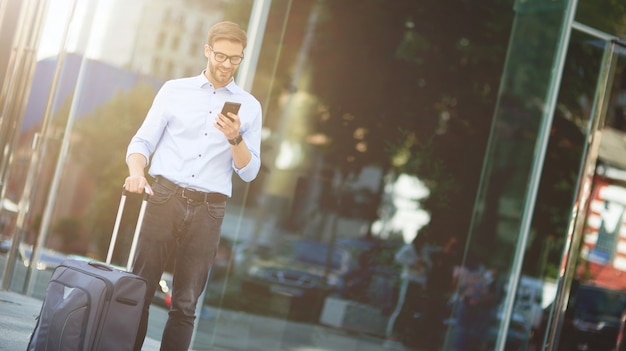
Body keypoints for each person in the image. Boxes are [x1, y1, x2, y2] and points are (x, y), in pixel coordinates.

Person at [123, 21, 262, 351]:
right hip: (163, 197)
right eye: (221, 56)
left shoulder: (250, 107)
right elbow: (141, 141)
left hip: (209, 210)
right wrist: (137, 173)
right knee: (138, 292)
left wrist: (234, 137)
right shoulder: (174, 90)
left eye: (235, 59)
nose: (227, 65)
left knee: (184, 305)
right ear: (207, 51)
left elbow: (249, 171)